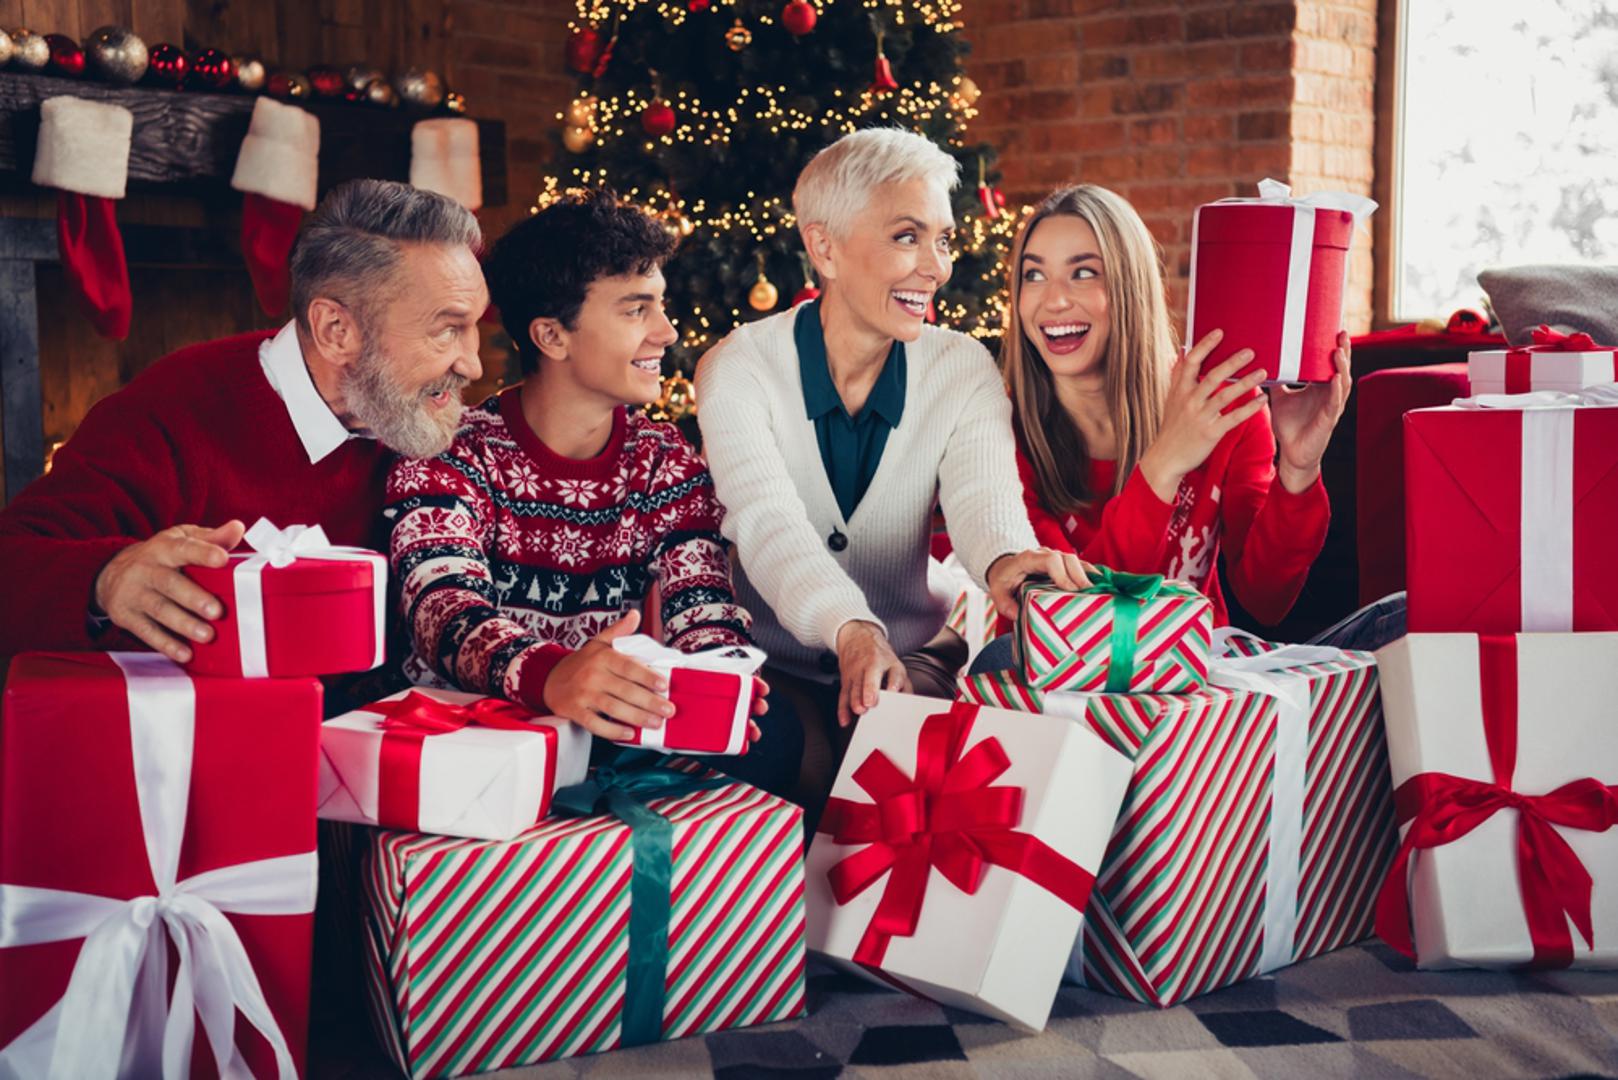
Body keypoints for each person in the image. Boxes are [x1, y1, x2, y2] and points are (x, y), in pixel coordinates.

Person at [694, 128, 1089, 803]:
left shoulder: (961, 367)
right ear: (825, 247)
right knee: (796, 777)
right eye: (908, 237)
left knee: (888, 772)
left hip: (910, 654)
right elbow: (767, 523)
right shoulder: (739, 368)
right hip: (771, 662)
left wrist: (1004, 562)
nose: (935, 268)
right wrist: (850, 628)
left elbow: (983, 502)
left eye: (942, 240)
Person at [384, 188, 799, 799]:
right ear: (552, 336)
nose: (666, 332)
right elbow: (443, 611)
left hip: (601, 723)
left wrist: (722, 676)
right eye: (636, 310)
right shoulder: (451, 453)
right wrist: (554, 676)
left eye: (660, 306)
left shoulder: (663, 460)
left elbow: (702, 607)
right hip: (472, 732)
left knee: (773, 734)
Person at [0, 179, 485, 667]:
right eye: (447, 331)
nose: (473, 365)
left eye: (474, 328)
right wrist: (106, 576)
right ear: (336, 331)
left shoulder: (426, 422)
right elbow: (12, 562)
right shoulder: (170, 414)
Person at [975, 182, 1398, 672]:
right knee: (997, 657)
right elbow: (1075, 623)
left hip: (1203, 676)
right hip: (1069, 679)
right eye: (1034, 275)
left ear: (1131, 288)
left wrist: (1299, 467)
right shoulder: (999, 433)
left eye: (1083, 273)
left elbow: (1266, 599)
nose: (1052, 301)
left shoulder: (1216, 400)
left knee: (1404, 617)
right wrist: (1164, 465)